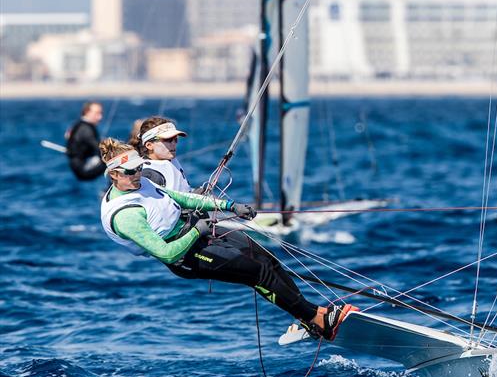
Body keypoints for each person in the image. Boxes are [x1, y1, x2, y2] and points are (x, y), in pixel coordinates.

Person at [98, 137, 356, 341]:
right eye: (130, 172)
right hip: (185, 256)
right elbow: (167, 253)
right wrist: (198, 230)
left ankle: (310, 316)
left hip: (196, 230)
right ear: (114, 174)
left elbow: (184, 199)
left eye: (139, 168)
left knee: (267, 259)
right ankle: (318, 319)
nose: (137, 174)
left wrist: (230, 206)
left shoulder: (141, 182)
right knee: (259, 273)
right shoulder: (125, 215)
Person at [128, 116, 191, 192]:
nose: (174, 144)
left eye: (175, 139)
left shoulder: (170, 159)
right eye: (168, 140)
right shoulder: (149, 174)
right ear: (149, 145)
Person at [65, 101, 105, 180]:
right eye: (97, 113)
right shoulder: (86, 129)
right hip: (83, 169)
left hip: (78, 165)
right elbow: (98, 148)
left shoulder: (78, 125)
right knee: (115, 161)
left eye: (101, 114)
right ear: (87, 112)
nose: (100, 117)